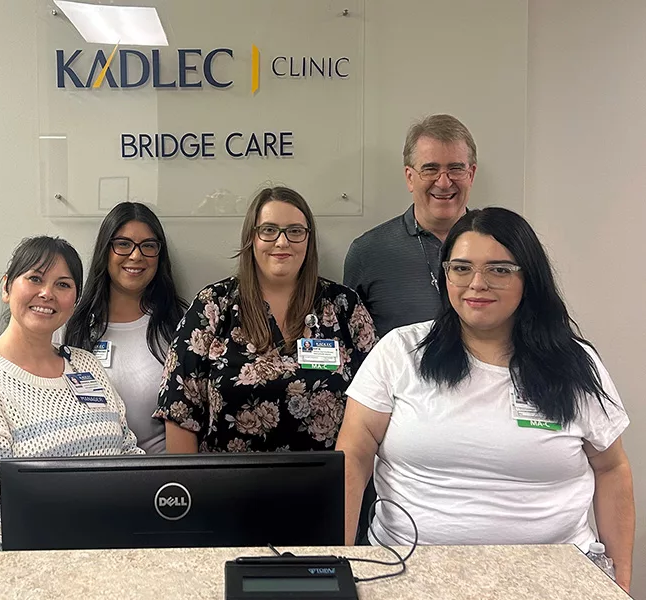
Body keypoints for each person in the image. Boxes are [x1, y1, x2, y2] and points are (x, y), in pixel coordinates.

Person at [336, 207, 634, 592]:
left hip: (553, 575)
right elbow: (354, 456)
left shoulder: (575, 362)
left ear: (529, 277)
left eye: (499, 269)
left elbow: (611, 469)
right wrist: (334, 560)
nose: (477, 283)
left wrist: (619, 582)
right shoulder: (400, 352)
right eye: (460, 268)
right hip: (409, 570)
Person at [0, 236, 143, 552]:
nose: (47, 293)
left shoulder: (85, 364)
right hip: (8, 572)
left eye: (63, 285)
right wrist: (95, 540)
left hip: (100, 556)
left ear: (74, 299)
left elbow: (127, 453)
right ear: (7, 288)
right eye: (35, 278)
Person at [154, 186, 377, 453]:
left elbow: (376, 403)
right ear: (252, 238)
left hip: (326, 487)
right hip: (226, 488)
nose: (282, 242)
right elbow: (180, 410)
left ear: (309, 239)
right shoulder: (213, 307)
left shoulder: (343, 306)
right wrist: (186, 489)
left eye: (295, 231)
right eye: (269, 230)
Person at [63, 202, 186, 453]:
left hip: (158, 483)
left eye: (148, 246)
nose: (136, 255)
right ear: (105, 250)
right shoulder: (70, 324)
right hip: (89, 479)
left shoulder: (179, 324)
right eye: (123, 244)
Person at [343, 114, 478, 337]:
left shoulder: (502, 247)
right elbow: (353, 344)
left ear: (471, 174)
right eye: (430, 169)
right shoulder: (368, 253)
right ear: (409, 177)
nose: (444, 182)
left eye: (455, 168)